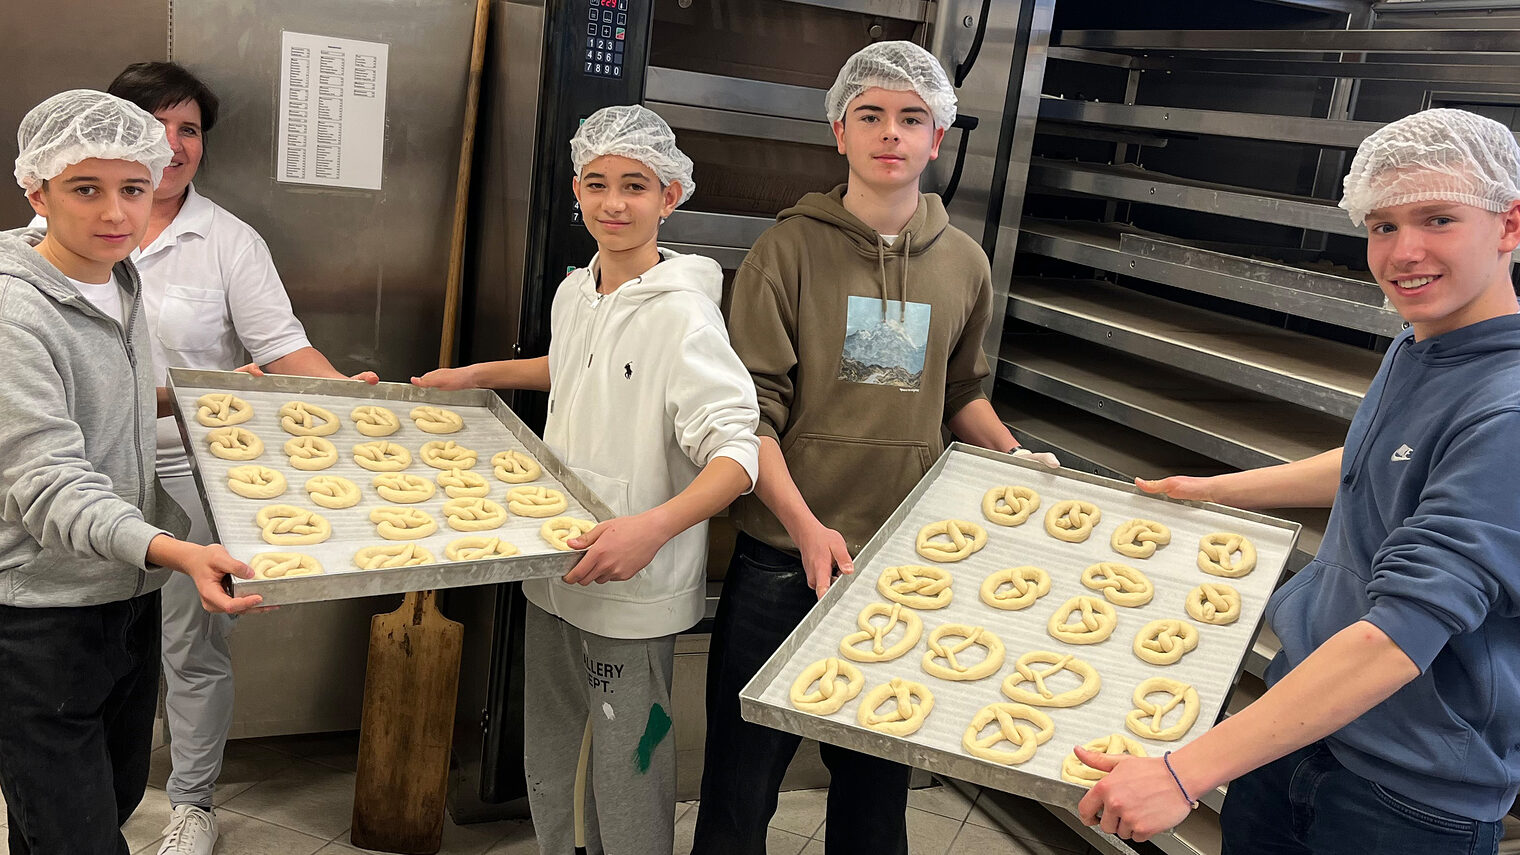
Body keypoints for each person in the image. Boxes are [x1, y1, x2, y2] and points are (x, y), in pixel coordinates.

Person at [1076, 108, 1520, 854]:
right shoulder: (1425, 343)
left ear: (1510, 225)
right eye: (1382, 225)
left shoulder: (1507, 407)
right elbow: (1376, 463)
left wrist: (1184, 773)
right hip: (1304, 725)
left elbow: (1397, 637)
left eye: (1438, 219)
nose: (1404, 252)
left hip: (1404, 793)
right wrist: (1212, 490)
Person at [691, 41, 1058, 855]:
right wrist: (805, 524)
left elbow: (961, 392)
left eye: (911, 118)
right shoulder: (783, 253)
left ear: (937, 138)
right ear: (839, 132)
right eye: (871, 116)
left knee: (873, 787)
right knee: (740, 784)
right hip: (783, 557)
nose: (890, 133)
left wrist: (1020, 459)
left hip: (904, 562)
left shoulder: (964, 263)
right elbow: (752, 414)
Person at [25, 63, 380, 855]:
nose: (173, 145)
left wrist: (363, 404)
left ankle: (191, 802)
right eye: (153, 125)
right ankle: (80, 786)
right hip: (74, 472)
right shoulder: (54, 256)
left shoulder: (225, 240)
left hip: (190, 466)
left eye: (189, 130)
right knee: (81, 645)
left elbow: (282, 347)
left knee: (185, 642)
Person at [413, 105, 760, 854]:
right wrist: (478, 375)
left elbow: (737, 454)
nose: (613, 203)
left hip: (635, 580)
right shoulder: (578, 290)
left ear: (670, 196)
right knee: (555, 739)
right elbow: (571, 365)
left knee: (630, 752)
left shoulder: (686, 317)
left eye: (635, 186)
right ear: (576, 189)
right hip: (556, 561)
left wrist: (651, 528)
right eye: (597, 184)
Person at [0, 88, 262, 855]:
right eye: (87, 189)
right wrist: (177, 549)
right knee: (75, 833)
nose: (115, 212)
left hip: (126, 594)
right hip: (42, 610)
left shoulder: (117, 279)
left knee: (105, 797)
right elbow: (49, 482)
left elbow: (101, 391)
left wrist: (197, 397)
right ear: (36, 189)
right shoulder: (16, 313)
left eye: (133, 189)